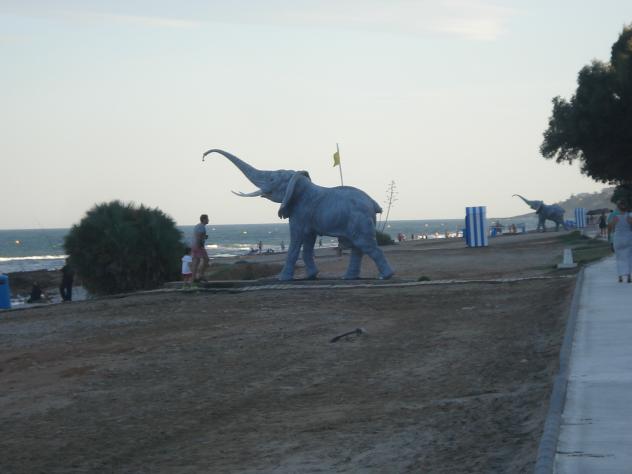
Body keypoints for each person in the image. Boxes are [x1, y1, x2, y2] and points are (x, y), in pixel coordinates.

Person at [609, 201, 632, 283]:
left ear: (618, 208)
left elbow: (612, 230)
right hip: (628, 238)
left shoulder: (615, 217)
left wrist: (611, 242)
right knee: (628, 258)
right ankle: (629, 276)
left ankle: (620, 277)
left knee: (619, 258)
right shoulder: (629, 217)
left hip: (618, 239)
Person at [191, 214, 210, 282]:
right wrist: (200, 246)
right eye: (207, 219)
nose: (208, 220)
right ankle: (201, 275)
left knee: (196, 262)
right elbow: (199, 236)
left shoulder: (197, 226)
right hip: (198, 246)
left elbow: (198, 235)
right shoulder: (202, 226)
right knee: (206, 259)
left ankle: (194, 278)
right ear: (204, 219)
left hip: (194, 245)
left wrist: (204, 237)